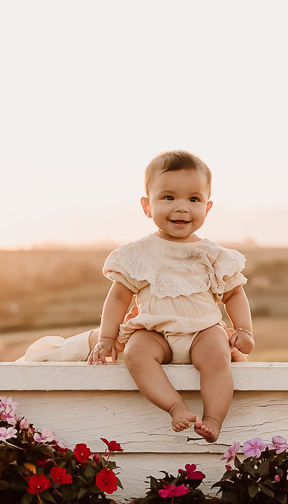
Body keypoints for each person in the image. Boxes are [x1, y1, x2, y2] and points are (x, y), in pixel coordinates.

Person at [86, 150, 254, 442]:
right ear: (147, 206)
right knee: (136, 353)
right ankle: (175, 406)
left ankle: (213, 418)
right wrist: (106, 338)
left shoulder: (213, 254)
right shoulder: (138, 253)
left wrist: (244, 330)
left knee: (217, 356)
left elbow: (234, 294)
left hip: (202, 331)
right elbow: (117, 299)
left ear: (207, 207)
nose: (181, 208)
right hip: (155, 332)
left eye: (194, 199)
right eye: (168, 198)